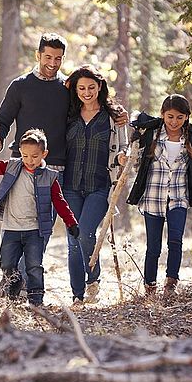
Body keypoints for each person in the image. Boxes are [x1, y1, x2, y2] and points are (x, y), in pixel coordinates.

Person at [0, 33, 129, 296]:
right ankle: (13, 278)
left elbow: (91, 107)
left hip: (58, 171)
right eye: (48, 57)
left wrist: (118, 113)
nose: (53, 62)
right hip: (23, 167)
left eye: (58, 58)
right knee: (21, 225)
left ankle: (23, 282)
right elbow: (3, 118)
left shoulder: (66, 88)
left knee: (43, 229)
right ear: (38, 55)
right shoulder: (20, 86)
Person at [0, 129, 79, 306]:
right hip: (11, 229)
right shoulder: (13, 167)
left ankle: (36, 300)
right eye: (25, 156)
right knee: (6, 263)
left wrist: (71, 222)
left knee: (34, 266)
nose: (30, 161)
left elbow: (60, 202)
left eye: (34, 156)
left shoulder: (50, 177)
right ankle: (13, 285)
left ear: (44, 154)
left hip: (35, 231)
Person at [126, 94, 192, 298]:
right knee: (153, 246)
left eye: (180, 117)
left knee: (175, 242)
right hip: (153, 197)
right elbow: (136, 164)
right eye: (170, 116)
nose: (174, 122)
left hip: (178, 197)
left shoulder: (191, 139)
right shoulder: (151, 135)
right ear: (163, 115)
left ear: (187, 117)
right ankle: (150, 287)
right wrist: (134, 144)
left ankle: (171, 284)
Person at [63, 65, 129, 307]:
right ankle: (77, 295)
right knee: (73, 240)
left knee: (86, 233)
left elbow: (124, 146)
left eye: (91, 87)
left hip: (100, 186)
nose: (87, 92)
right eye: (81, 88)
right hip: (69, 186)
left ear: (100, 87)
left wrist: (122, 156)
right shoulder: (68, 115)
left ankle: (93, 279)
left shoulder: (113, 117)